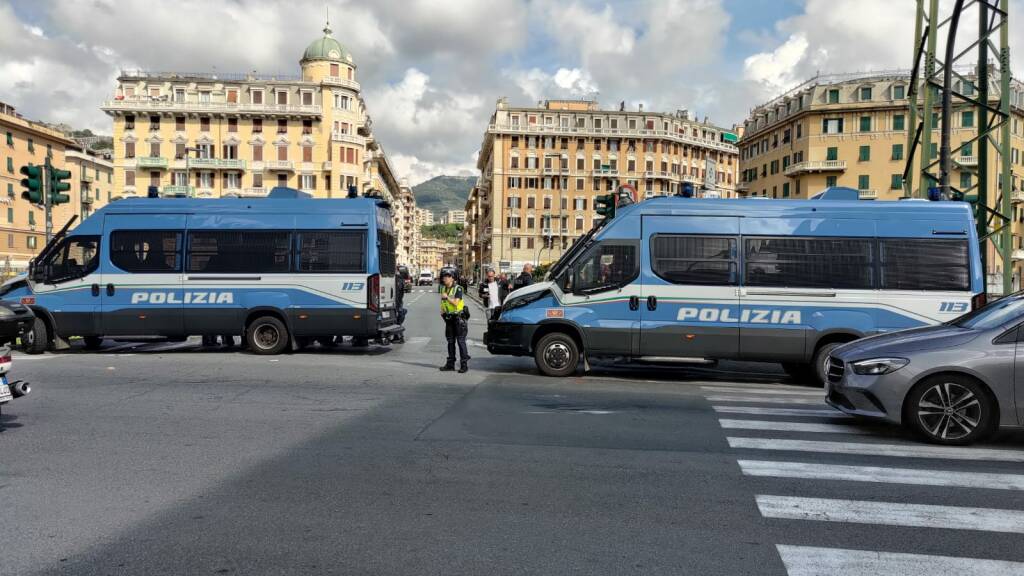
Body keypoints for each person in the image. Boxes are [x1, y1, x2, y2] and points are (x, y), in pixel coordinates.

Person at [438, 269, 469, 373]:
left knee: (460, 341)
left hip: (458, 319)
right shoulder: (444, 289)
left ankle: (464, 365)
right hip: (449, 319)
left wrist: (447, 298)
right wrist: (442, 311)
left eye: (447, 276)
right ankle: (450, 364)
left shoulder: (458, 288)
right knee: (450, 342)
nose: (444, 278)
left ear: (452, 278)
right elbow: (443, 304)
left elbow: (456, 303)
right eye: (443, 276)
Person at [393, 273, 406, 344]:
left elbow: (398, 293)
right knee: (396, 319)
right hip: (398, 302)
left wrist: (397, 304)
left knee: (397, 320)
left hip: (397, 302)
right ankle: (397, 336)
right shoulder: (400, 279)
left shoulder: (398, 279)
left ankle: (400, 337)